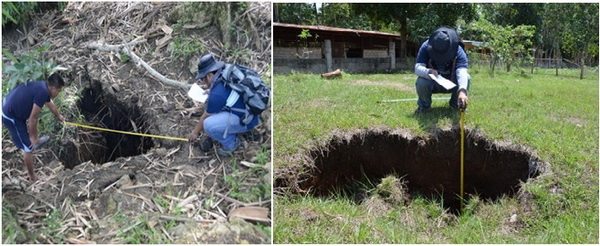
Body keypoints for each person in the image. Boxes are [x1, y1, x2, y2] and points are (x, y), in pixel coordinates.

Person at [187, 54, 260, 157]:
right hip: (251, 113)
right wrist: (211, 92)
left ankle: (232, 144)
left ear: (209, 75)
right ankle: (243, 130)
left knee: (208, 125)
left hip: (247, 120)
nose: (203, 82)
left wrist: (195, 133)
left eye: (203, 78)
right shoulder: (226, 72)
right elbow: (226, 92)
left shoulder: (216, 94)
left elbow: (205, 117)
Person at [2, 72, 66, 181]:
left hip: (11, 106)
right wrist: (33, 138)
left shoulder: (42, 86)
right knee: (28, 147)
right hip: (10, 115)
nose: (58, 93)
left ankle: (36, 141)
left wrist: (58, 115)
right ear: (54, 89)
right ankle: (32, 177)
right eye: (59, 91)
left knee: (31, 141)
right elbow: (33, 119)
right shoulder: (42, 92)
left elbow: (49, 102)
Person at [414, 26, 470, 113]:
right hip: (433, 82)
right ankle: (424, 108)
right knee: (421, 81)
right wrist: (428, 71)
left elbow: (462, 71)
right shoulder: (425, 46)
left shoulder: (458, 49)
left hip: (452, 83)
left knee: (467, 78)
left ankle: (456, 106)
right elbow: (417, 68)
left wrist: (462, 91)